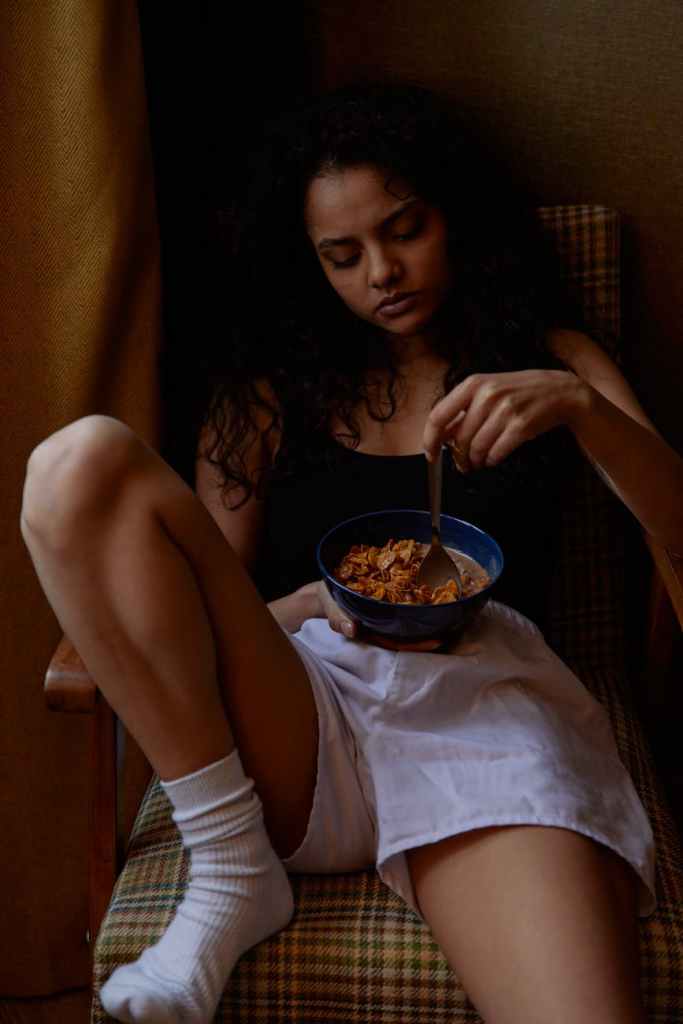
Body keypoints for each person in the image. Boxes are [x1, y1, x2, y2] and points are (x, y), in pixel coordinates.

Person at [20, 81, 683, 1024]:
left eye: (405, 230)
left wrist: (580, 409)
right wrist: (311, 604)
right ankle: (230, 865)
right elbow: (200, 616)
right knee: (77, 461)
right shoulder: (264, 395)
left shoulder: (554, 359)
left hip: (484, 719)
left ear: (454, 215)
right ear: (310, 264)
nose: (383, 272)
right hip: (303, 711)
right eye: (343, 255)